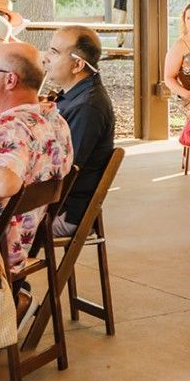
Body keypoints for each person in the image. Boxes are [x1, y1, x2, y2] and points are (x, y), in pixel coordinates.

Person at [0, 42, 73, 271]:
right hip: (28, 240)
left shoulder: (11, 126)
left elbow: (5, 183)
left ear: (10, 80)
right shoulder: (55, 120)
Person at [43, 26, 116, 237]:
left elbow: (63, 171)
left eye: (55, 52)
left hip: (63, 212)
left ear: (77, 64)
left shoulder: (87, 106)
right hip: (56, 204)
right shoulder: (75, 96)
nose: (46, 58)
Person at [163, 1, 190, 104]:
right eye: (188, 18)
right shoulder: (179, 46)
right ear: (184, 21)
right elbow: (168, 77)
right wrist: (186, 94)